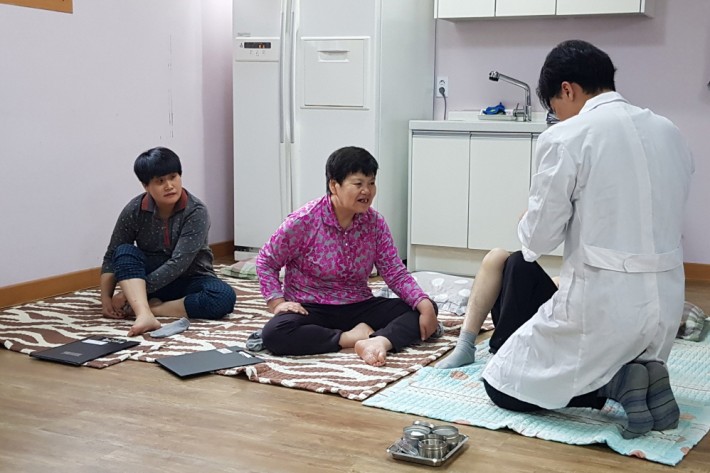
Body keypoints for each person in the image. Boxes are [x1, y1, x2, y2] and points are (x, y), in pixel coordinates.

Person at [436, 40, 694, 439]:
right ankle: (644, 372)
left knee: (501, 382)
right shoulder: (669, 131)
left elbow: (538, 240)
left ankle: (615, 385)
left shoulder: (568, 136)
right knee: (524, 283)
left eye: (554, 107)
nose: (556, 117)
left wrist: (527, 220)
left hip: (604, 304)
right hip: (664, 304)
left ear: (567, 89)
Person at [255, 146, 439, 367]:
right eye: (358, 184)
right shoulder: (303, 221)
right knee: (275, 333)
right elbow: (266, 261)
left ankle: (378, 342)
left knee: (424, 309)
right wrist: (277, 302)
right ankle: (350, 338)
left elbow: (394, 271)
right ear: (334, 185)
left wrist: (423, 304)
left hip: (358, 304)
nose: (367, 191)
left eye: (371, 183)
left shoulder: (375, 223)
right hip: (311, 306)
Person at [100, 147, 236, 337]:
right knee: (124, 251)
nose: (169, 186)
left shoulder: (196, 211)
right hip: (149, 276)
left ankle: (151, 309)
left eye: (173, 177)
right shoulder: (134, 209)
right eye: (160, 181)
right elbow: (111, 254)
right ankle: (143, 314)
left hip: (190, 278)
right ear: (146, 186)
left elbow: (179, 263)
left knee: (223, 297)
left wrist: (125, 295)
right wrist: (105, 299)